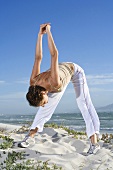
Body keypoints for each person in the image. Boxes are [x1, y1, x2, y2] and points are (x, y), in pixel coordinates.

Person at [19, 23, 100, 154]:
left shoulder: (54, 82)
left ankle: (94, 143)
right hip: (55, 79)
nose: (44, 105)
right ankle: (30, 136)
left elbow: (54, 54)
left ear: (44, 92)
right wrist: (39, 36)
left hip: (74, 71)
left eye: (43, 101)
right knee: (43, 112)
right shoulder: (33, 82)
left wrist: (48, 32)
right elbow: (38, 58)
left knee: (83, 103)